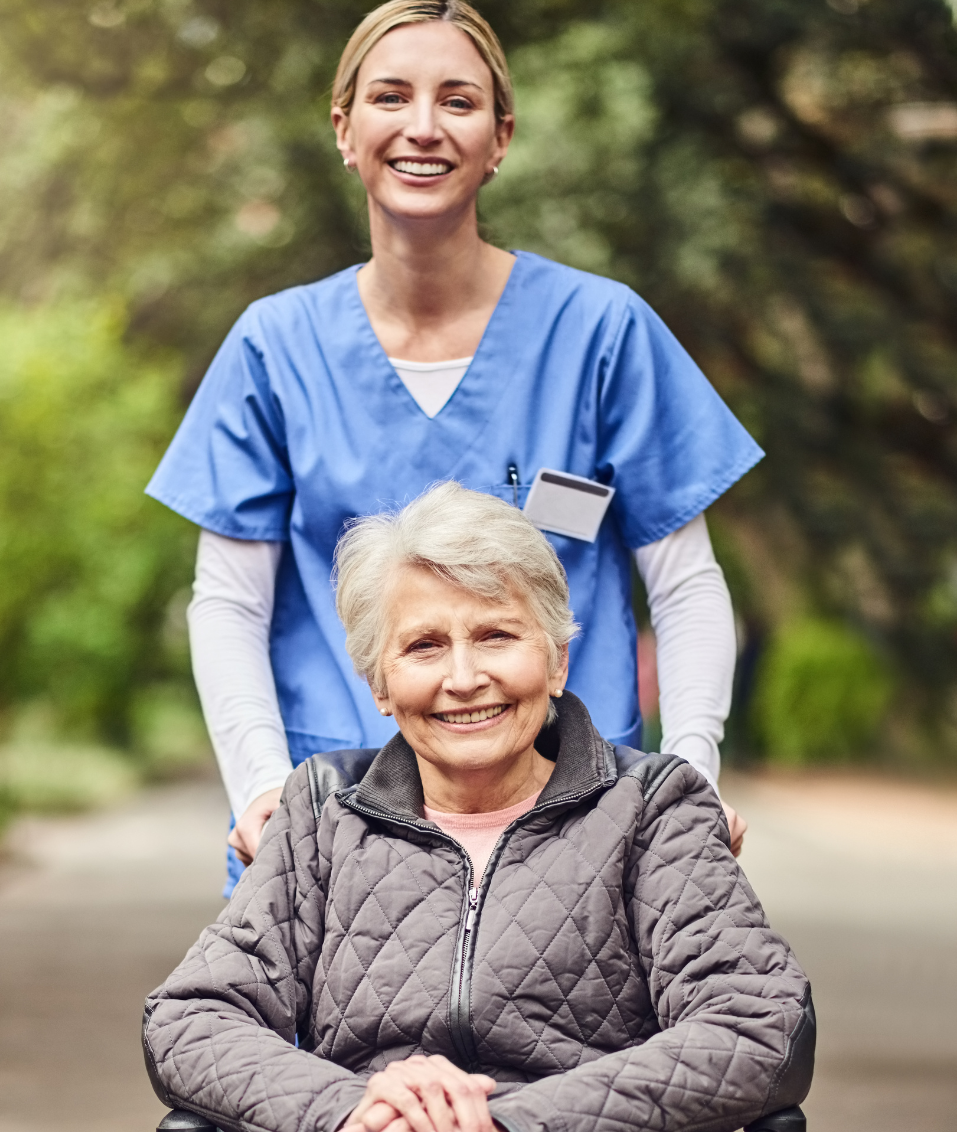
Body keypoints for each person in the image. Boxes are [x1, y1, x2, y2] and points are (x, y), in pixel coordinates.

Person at [146, 0, 761, 893]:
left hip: (581, 826)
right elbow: (228, 603)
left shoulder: (600, 333)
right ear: (344, 129)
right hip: (337, 825)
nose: (423, 127)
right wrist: (263, 788)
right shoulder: (272, 350)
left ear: (501, 136)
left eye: (459, 100)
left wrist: (692, 772)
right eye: (391, 97)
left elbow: (687, 584)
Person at [143, 484, 814, 1132]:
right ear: (380, 683)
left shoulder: (654, 807)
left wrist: (507, 1122)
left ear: (555, 661)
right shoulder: (321, 811)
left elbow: (758, 1023)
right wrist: (352, 1109)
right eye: (424, 646)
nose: (463, 679)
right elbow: (191, 1019)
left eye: (496, 636)